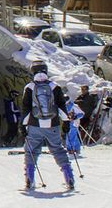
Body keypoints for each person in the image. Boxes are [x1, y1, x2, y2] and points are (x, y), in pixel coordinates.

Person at [20, 59, 76, 192]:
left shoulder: (29, 87)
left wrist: (22, 125)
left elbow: (26, 108)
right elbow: (61, 106)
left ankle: (29, 179)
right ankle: (69, 177)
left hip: (35, 125)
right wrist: (66, 123)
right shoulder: (54, 86)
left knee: (31, 152)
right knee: (58, 150)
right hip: (53, 125)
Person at [71, 78, 103, 145]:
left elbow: (83, 103)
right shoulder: (81, 96)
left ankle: (78, 142)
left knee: (79, 129)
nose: (82, 91)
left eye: (84, 89)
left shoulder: (89, 97)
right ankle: (75, 142)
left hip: (85, 116)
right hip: (79, 116)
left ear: (87, 90)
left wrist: (79, 102)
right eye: (82, 89)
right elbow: (74, 102)